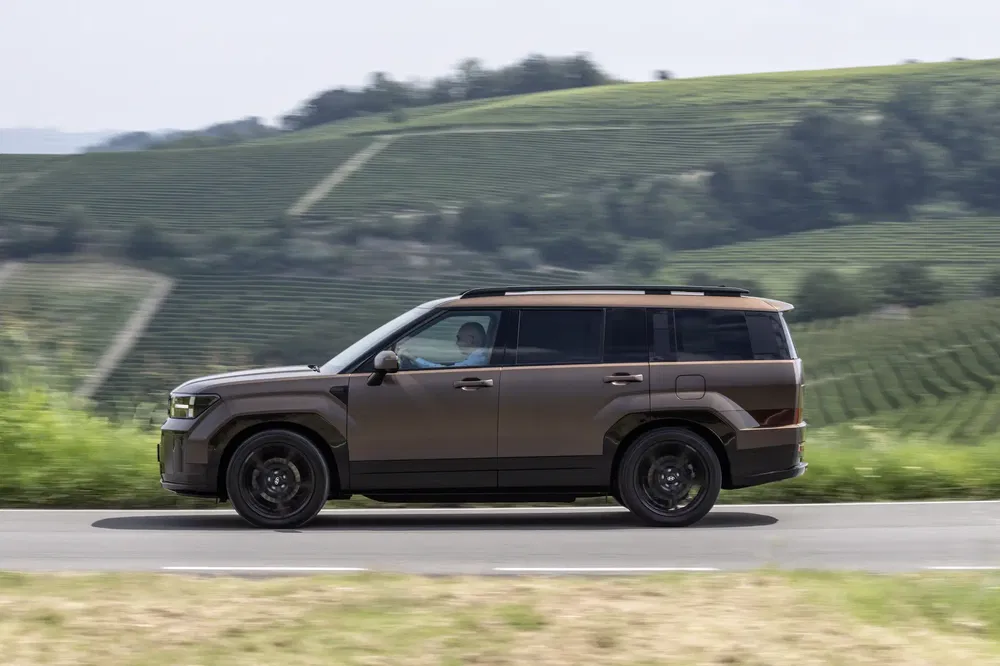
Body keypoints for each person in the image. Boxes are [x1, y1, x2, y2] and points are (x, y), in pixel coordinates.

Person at [408, 321, 489, 368]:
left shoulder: (478, 359)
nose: (457, 343)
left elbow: (443, 372)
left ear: (471, 340)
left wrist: (414, 358)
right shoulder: (479, 356)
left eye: (459, 338)